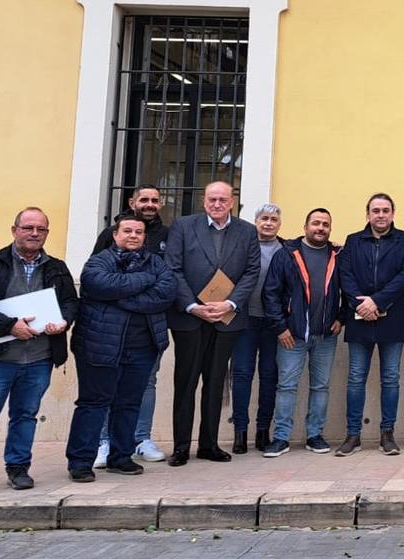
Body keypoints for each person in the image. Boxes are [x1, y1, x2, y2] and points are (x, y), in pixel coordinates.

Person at [0, 207, 79, 497]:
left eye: (41, 229)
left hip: (39, 358)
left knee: (26, 415)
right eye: (28, 228)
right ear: (15, 230)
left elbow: (72, 303)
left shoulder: (57, 268)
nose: (34, 234)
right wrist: (10, 326)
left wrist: (64, 321)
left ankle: (18, 468)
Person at [66, 215, 176, 482]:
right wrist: (143, 282)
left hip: (142, 347)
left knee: (128, 404)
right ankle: (81, 461)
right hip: (100, 345)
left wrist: (120, 298)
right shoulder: (98, 262)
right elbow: (99, 284)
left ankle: (121, 456)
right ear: (115, 234)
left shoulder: (157, 264)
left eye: (138, 232)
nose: (133, 235)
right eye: (127, 231)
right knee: (93, 403)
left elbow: (165, 293)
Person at [165, 181, 261, 466]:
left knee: (216, 382)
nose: (217, 204)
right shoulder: (183, 226)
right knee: (186, 383)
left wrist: (229, 303)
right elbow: (173, 268)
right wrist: (193, 306)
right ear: (204, 201)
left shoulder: (246, 231)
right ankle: (181, 446)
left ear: (232, 202)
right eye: (211, 199)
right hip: (190, 318)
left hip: (226, 318)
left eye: (222, 199)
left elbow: (252, 271)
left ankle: (209, 444)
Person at [90, 184, 169, 465]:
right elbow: (97, 281)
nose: (149, 204)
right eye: (144, 199)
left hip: (149, 327)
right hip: (110, 329)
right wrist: (131, 291)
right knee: (109, 383)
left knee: (147, 382)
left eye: (154, 200)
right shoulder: (108, 235)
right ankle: (104, 442)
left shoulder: (167, 235)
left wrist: (126, 294)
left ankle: (140, 438)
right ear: (132, 201)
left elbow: (166, 285)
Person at [336, 193, 404, 456]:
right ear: (367, 214)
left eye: (385, 210)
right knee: (356, 378)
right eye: (375, 210)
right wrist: (362, 304)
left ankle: (387, 433)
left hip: (393, 318)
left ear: (393, 213)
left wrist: (377, 302)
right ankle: (353, 435)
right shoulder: (353, 241)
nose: (380, 215)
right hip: (359, 316)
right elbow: (345, 275)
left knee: (390, 378)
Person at [262, 208, 345, 457]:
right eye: (316, 223)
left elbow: (350, 288)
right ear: (305, 226)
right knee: (286, 386)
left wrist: (341, 318)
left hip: (325, 335)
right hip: (292, 335)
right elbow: (271, 293)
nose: (320, 228)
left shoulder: (338, 255)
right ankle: (281, 438)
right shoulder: (286, 254)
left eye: (325, 224)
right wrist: (280, 327)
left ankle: (314, 435)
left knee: (321, 387)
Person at [229, 203, 283, 455]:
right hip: (244, 320)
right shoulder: (242, 247)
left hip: (273, 324)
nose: (269, 223)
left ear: (279, 224)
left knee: (270, 376)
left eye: (273, 219)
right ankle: (240, 431)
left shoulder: (287, 249)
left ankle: (263, 431)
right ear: (255, 221)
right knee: (241, 375)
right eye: (264, 218)